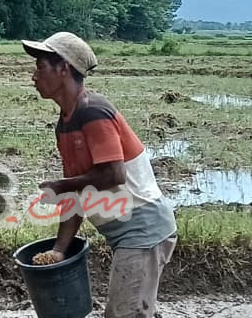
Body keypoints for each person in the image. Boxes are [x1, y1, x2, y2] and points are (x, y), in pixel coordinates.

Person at [22, 31, 178, 318]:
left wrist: (62, 185)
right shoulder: (66, 124)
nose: (34, 76)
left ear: (63, 68)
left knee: (123, 314)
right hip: (128, 235)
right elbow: (76, 194)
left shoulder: (93, 112)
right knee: (135, 310)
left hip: (143, 231)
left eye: (41, 67)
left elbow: (114, 174)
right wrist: (58, 250)